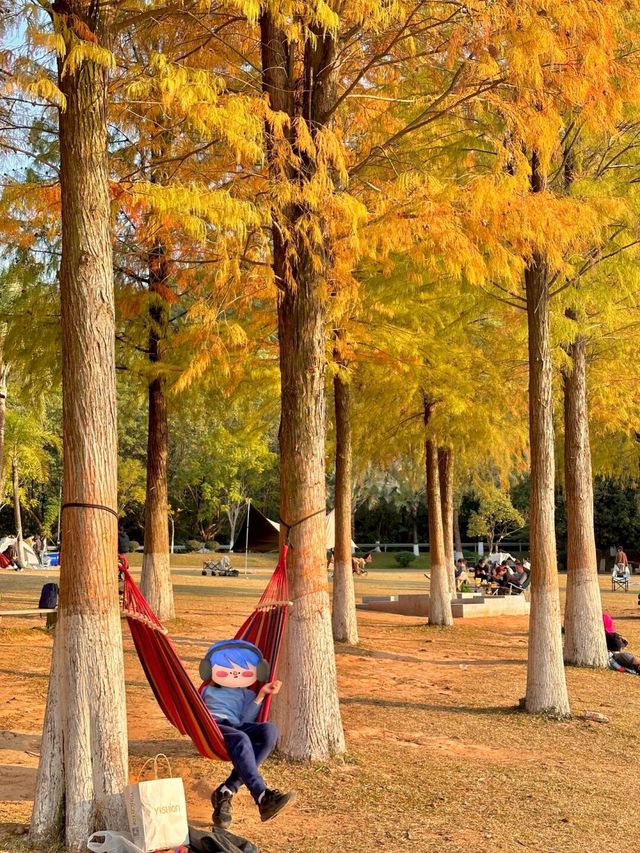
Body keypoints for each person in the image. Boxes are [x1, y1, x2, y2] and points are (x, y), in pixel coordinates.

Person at [200, 639, 296, 829]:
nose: (233, 674)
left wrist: (260, 695)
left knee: (270, 730)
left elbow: (246, 720)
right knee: (241, 738)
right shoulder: (206, 690)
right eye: (226, 668)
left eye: (241, 671)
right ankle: (262, 795)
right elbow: (193, 710)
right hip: (213, 727)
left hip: (235, 727)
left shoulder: (247, 694)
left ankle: (226, 791)